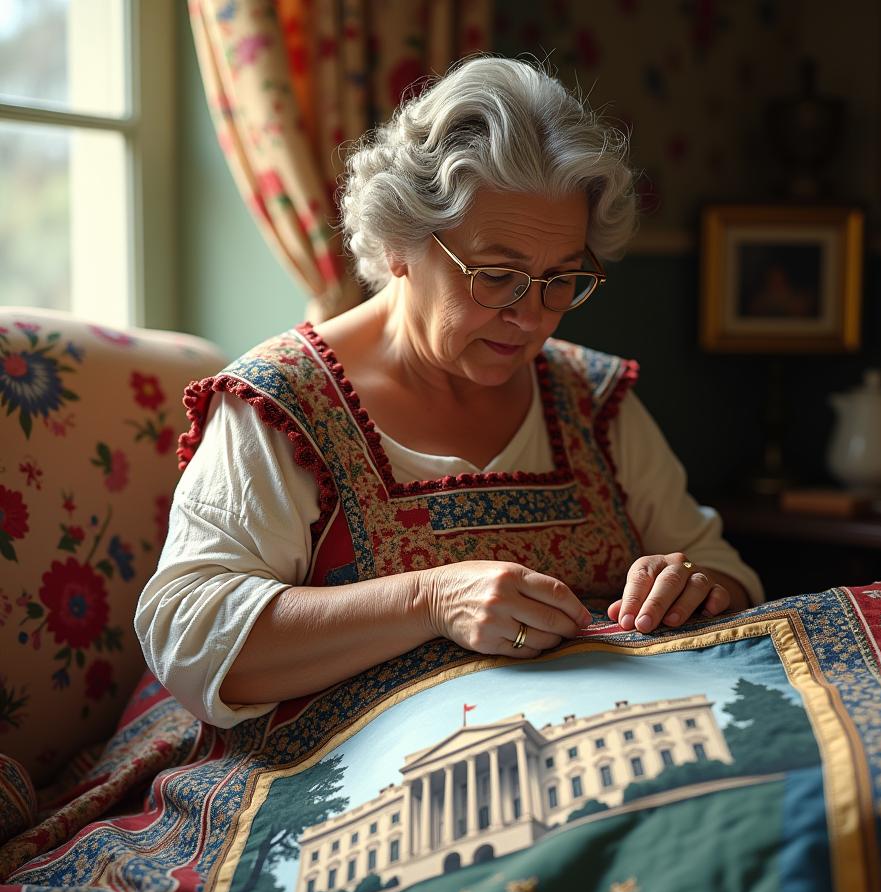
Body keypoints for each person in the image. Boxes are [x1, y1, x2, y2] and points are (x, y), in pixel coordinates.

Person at [135, 56, 763, 728]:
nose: (534, 318)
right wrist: (429, 600)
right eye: (498, 276)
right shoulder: (284, 403)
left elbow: (725, 572)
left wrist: (693, 589)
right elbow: (188, 635)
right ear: (401, 243)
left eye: (562, 279)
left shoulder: (591, 396)